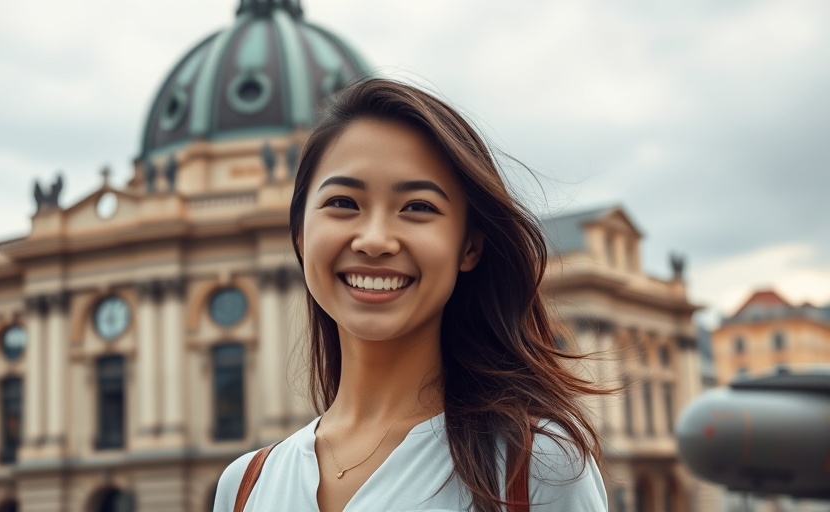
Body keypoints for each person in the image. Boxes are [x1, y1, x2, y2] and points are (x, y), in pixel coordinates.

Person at [213, 78, 608, 512]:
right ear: (302, 235)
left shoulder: (536, 466)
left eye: (418, 207)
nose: (375, 240)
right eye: (344, 202)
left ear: (469, 246)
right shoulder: (245, 486)